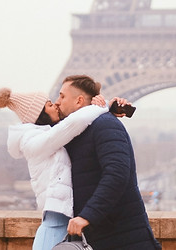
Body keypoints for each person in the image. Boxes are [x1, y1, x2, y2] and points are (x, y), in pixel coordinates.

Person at [55, 75, 162, 250]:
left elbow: (117, 174)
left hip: (120, 235)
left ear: (79, 100)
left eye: (62, 96)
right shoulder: (76, 131)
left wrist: (87, 216)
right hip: (104, 234)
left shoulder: (104, 124)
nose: (57, 102)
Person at [0, 87, 109, 250]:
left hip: (62, 221)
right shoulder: (34, 142)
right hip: (55, 223)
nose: (55, 105)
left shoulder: (46, 135)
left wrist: (99, 105)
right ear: (38, 114)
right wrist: (104, 108)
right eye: (49, 105)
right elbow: (73, 124)